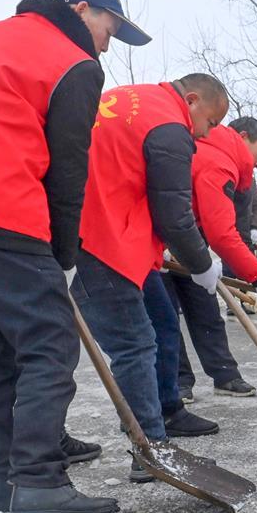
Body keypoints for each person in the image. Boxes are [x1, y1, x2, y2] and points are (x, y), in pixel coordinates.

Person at [0, 0, 150, 513]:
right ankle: (38, 482)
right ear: (81, 9)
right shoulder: (73, 63)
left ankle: (1, 479)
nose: (106, 46)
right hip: (1, 213)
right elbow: (69, 168)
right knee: (48, 345)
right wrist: (64, 256)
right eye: (109, 30)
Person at [74, 73, 229, 482]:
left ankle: (167, 411)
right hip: (98, 241)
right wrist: (201, 264)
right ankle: (150, 449)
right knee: (134, 344)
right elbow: (174, 214)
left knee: (162, 321)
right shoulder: (169, 125)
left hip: (122, 237)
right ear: (192, 100)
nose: (205, 133)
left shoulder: (133, 99)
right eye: (211, 122)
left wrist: (159, 248)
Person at [169, 115, 257, 401]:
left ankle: (225, 375)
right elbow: (221, 233)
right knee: (165, 318)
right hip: (161, 243)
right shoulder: (215, 159)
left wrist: (247, 255)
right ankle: (178, 382)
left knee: (206, 311)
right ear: (243, 137)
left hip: (191, 244)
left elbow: (230, 224)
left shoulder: (233, 165)